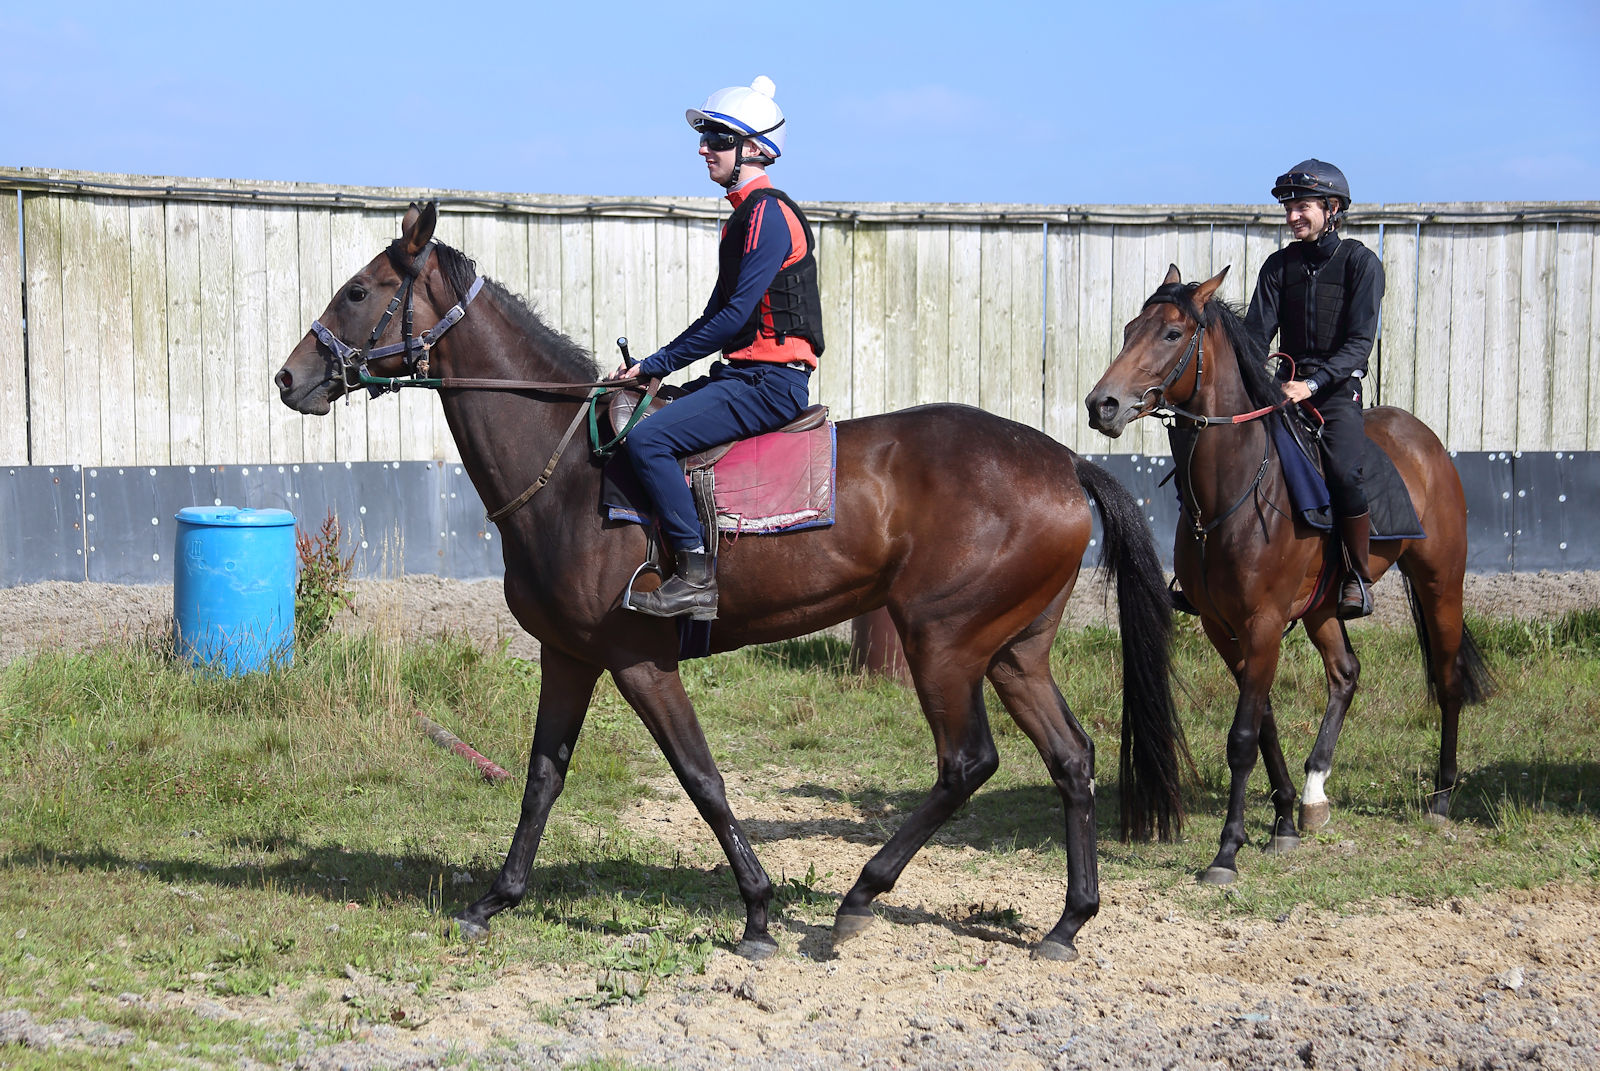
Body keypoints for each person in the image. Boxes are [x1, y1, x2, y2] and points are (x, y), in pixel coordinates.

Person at [617, 76, 824, 620]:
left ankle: (694, 576)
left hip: (771, 384)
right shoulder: (742, 219)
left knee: (649, 441)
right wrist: (650, 370)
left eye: (717, 139)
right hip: (743, 377)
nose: (703, 148)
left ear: (753, 149)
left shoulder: (768, 215)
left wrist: (659, 363)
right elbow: (715, 318)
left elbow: (731, 317)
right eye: (704, 137)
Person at [1244, 159, 1386, 618]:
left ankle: (1357, 575)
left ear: (1333, 208)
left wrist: (1312, 384)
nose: (1292, 216)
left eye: (1302, 206)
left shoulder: (1361, 264)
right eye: (1288, 208)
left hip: (1337, 391)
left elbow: (1359, 345)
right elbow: (1254, 337)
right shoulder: (1277, 266)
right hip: (1283, 389)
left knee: (1344, 472)